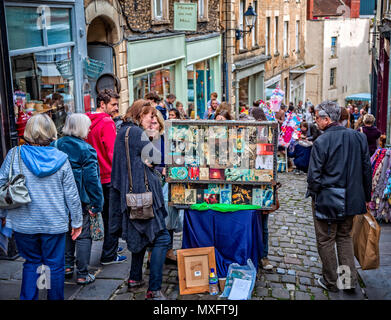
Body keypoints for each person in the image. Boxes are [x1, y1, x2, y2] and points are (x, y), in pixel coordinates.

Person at [0, 114, 83, 300]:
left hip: (23, 223)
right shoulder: (62, 159)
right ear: (51, 132)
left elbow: (1, 186)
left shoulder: (15, 154)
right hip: (53, 223)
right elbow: (72, 194)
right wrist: (77, 221)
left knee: (32, 263)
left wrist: (3, 213)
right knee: (54, 265)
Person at [307, 101, 372, 293]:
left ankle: (332, 282)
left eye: (317, 117)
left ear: (327, 119)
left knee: (327, 240)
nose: (316, 121)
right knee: (344, 237)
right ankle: (348, 281)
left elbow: (314, 176)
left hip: (328, 199)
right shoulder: (358, 138)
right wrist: (365, 196)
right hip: (351, 198)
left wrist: (315, 193)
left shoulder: (322, 141)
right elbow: (366, 170)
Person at [110, 99, 170, 300]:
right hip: (142, 195)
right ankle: (154, 290)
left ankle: (135, 278)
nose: (153, 120)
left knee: (139, 235)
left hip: (129, 194)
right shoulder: (136, 133)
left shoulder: (123, 131)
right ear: (139, 114)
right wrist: (153, 137)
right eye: (150, 116)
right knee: (162, 238)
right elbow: (154, 157)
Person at [52, 114, 104, 285]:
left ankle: (67, 266)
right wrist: (97, 203)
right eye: (88, 126)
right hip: (80, 199)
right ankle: (82, 274)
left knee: (67, 231)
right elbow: (92, 180)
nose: (89, 129)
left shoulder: (56, 145)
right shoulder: (86, 149)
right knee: (82, 234)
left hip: (58, 197)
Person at [86, 89, 127, 265]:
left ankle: (111, 246)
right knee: (113, 217)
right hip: (109, 176)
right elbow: (113, 153)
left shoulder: (87, 120)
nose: (116, 108)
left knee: (103, 215)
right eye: (113, 104)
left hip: (93, 176)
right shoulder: (107, 123)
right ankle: (109, 254)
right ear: (102, 104)